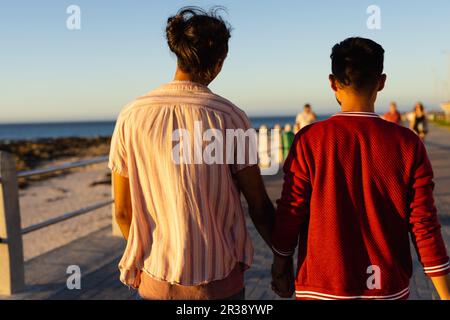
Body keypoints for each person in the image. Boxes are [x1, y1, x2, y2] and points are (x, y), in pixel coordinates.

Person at [109, 7, 275, 300]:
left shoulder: (131, 115)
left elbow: (123, 212)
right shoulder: (231, 117)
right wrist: (283, 258)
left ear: (179, 54)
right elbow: (259, 206)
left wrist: (146, 259)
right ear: (220, 61)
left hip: (154, 281)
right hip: (219, 283)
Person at [271, 37, 450, 300]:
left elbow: (291, 211)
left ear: (333, 82)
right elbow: (424, 224)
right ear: (382, 81)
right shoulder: (408, 144)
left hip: (321, 287)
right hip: (387, 286)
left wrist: (280, 265)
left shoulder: (309, 140)